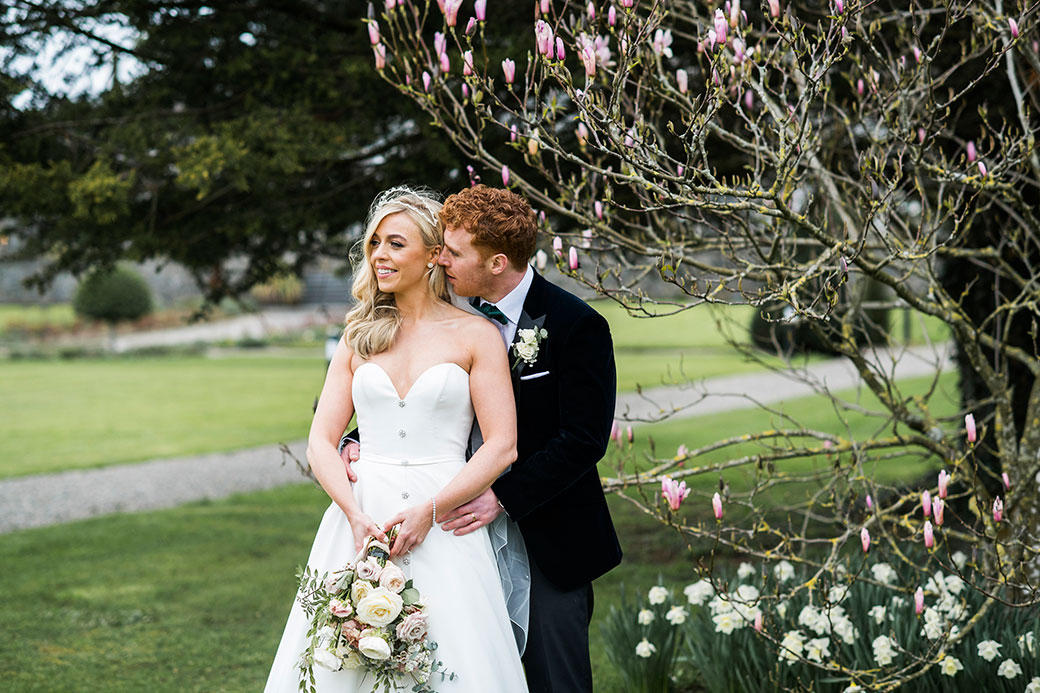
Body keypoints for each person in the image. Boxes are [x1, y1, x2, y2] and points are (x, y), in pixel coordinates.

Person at [343, 185, 622, 692]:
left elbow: (583, 440)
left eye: (454, 252)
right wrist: (360, 438)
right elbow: (435, 394)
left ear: (496, 262)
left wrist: (502, 498)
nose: (440, 259)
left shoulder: (575, 325)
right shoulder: (454, 315)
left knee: (553, 679)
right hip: (454, 532)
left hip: (544, 528)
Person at [265, 187, 528, 692]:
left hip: (446, 519)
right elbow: (321, 442)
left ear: (433, 255)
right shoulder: (358, 334)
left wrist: (431, 511)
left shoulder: (477, 335)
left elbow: (502, 446)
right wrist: (353, 513)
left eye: (395, 244)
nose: (380, 256)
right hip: (362, 515)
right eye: (375, 244)